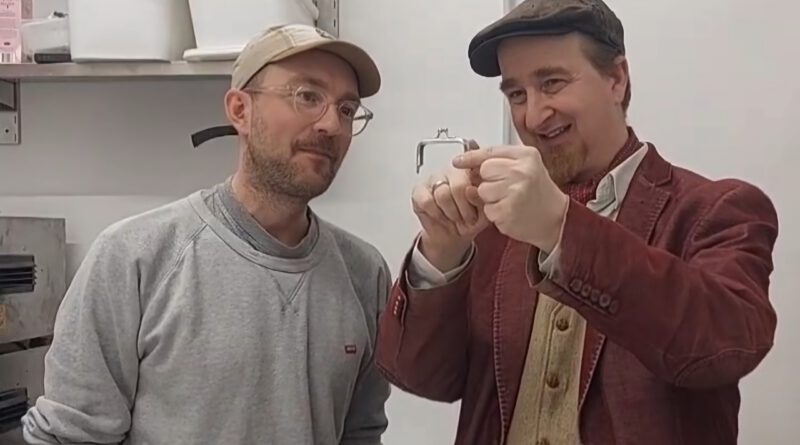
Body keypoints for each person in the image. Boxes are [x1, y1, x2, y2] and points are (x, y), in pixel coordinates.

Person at [375, 1, 779, 444]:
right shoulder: (497, 222)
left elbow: (724, 347)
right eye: (516, 94)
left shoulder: (716, 209)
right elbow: (421, 377)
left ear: (617, 79)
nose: (532, 116)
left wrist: (560, 229)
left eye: (552, 82)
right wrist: (441, 253)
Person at [22, 24, 391, 445]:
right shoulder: (134, 258)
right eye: (308, 96)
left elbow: (361, 433)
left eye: (347, 109)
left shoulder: (365, 275)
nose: (331, 124)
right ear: (240, 110)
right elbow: (70, 436)